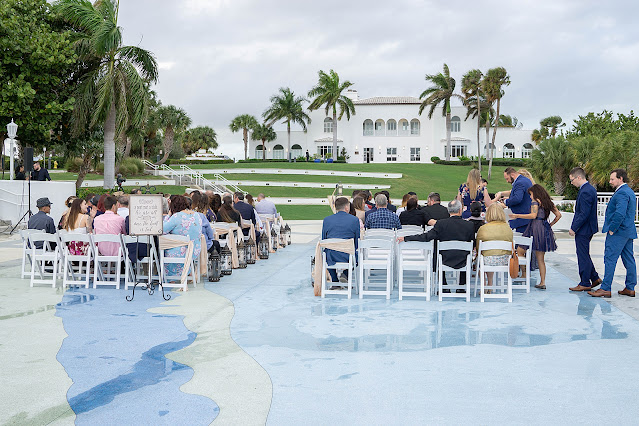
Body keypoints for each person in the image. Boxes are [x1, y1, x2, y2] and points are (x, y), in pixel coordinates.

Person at [399, 200, 475, 289]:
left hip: (444, 259)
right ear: (460, 210)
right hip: (463, 259)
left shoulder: (441, 224)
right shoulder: (469, 225)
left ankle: (444, 285)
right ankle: (461, 286)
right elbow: (472, 244)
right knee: (466, 253)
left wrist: (406, 238)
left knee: (437, 251)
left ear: (448, 211)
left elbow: (426, 236)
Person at [589, 169, 637, 298]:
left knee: (610, 258)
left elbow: (620, 213)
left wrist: (613, 228)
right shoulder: (629, 192)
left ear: (620, 179)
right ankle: (630, 287)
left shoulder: (621, 193)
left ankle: (605, 288)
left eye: (612, 179)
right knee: (629, 259)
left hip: (618, 232)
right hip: (628, 231)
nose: (610, 182)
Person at [509, 184, 561, 290]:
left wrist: (517, 216)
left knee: (520, 250)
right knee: (540, 259)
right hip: (544, 228)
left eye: (531, 194)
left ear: (535, 193)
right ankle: (542, 282)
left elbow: (533, 215)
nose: (530, 197)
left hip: (535, 227)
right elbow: (558, 215)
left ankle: (524, 274)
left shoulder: (535, 201)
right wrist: (550, 225)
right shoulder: (548, 202)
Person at [567, 167, 602, 292]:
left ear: (579, 177)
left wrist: (574, 228)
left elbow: (583, 213)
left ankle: (585, 282)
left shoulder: (586, 191)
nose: (572, 183)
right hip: (587, 228)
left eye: (572, 180)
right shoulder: (588, 189)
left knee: (582, 255)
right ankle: (595, 277)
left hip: (584, 229)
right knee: (584, 254)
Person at [163, 195, 203, 278]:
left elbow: (162, 230)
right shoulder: (197, 215)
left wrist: (168, 215)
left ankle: (169, 278)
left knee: (162, 250)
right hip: (194, 249)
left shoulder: (176, 217)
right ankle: (187, 272)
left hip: (180, 251)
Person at [321, 196, 360, 282]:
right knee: (358, 255)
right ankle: (345, 273)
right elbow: (357, 242)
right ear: (346, 207)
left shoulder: (327, 220)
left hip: (331, 256)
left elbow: (324, 239)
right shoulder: (354, 220)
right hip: (347, 255)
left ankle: (335, 280)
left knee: (326, 252)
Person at [476, 203, 513, 291]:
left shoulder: (483, 228)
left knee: (482, 258)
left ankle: (484, 285)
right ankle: (490, 283)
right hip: (505, 260)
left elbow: (478, 248)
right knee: (488, 255)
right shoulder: (508, 228)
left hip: (488, 259)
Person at [495, 167, 533, 233]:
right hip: (527, 218)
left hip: (522, 220)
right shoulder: (526, 180)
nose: (507, 181)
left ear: (512, 174)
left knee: (521, 240)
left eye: (507, 178)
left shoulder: (519, 183)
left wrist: (505, 202)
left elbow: (517, 199)